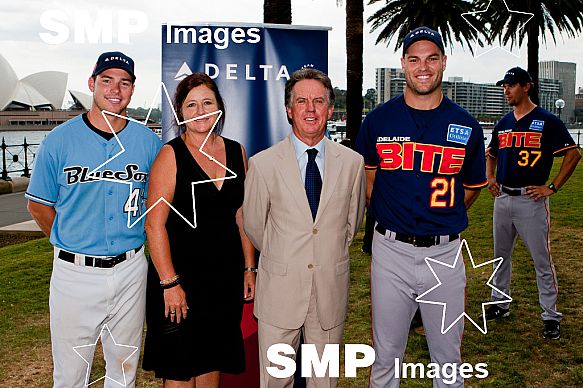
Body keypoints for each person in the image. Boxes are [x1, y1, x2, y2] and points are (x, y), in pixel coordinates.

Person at [355, 27, 487, 387]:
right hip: (391, 251)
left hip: (444, 252)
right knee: (385, 358)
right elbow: (369, 184)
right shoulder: (379, 121)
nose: (423, 67)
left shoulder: (466, 125)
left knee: (448, 361)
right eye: (414, 59)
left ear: (443, 62)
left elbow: (474, 187)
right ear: (403, 65)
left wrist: (440, 215)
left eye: (431, 58)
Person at [25, 51, 162, 387]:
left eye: (124, 82)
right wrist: (68, 239)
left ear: (132, 90)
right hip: (74, 273)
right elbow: (39, 206)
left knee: (123, 369)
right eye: (107, 80)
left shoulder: (149, 143)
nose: (115, 89)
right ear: (92, 83)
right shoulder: (59, 140)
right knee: (71, 375)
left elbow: (156, 206)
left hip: (130, 269)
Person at [243, 68, 366, 388]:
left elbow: (351, 225)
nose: (310, 109)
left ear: (329, 109)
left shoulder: (352, 164)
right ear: (288, 110)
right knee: (276, 382)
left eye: (318, 101)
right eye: (301, 101)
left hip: (329, 292)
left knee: (323, 381)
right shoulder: (263, 164)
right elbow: (255, 226)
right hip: (280, 295)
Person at [142, 72, 256, 387]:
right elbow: (154, 223)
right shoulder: (170, 154)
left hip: (224, 281)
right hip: (180, 282)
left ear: (219, 107)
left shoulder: (237, 152)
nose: (200, 111)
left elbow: (241, 216)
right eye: (191, 105)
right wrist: (169, 283)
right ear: (180, 112)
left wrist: (249, 267)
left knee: (211, 365)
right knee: (180, 373)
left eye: (207, 102)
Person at [483, 67, 581, 340]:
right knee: (500, 256)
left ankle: (550, 316)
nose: (506, 90)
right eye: (504, 86)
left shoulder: (547, 121)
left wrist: (552, 187)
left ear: (527, 86)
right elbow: (490, 153)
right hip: (502, 198)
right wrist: (490, 177)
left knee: (542, 260)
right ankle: (500, 303)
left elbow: (573, 155)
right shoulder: (503, 123)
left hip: (531, 199)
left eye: (511, 85)